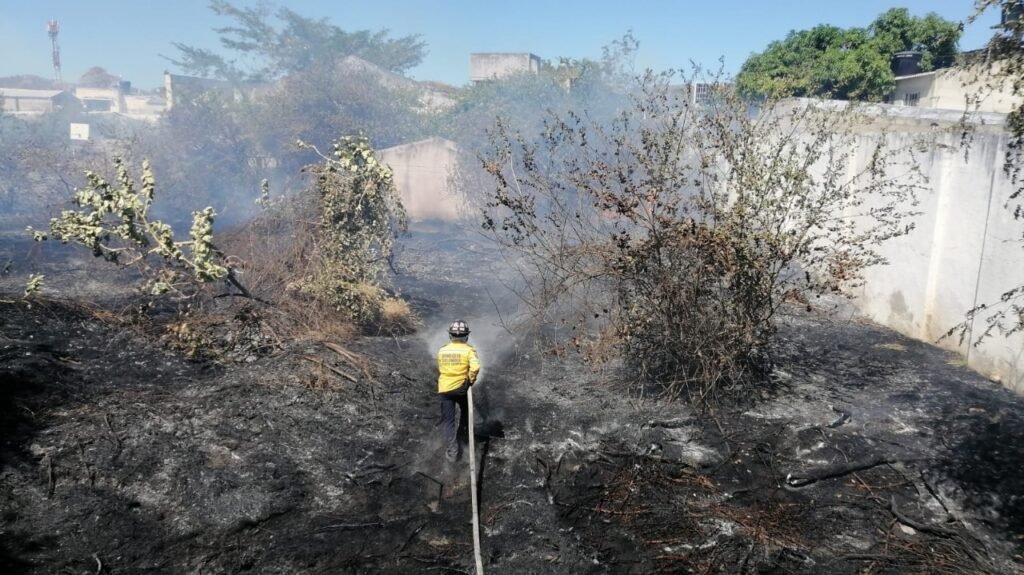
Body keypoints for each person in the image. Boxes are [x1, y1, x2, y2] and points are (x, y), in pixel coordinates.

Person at [437, 319, 481, 462]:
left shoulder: (442, 350)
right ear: (466, 336)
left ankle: (452, 451)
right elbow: (475, 367)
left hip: (444, 389)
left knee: (448, 421)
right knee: (465, 411)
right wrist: (470, 380)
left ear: (450, 336)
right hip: (461, 388)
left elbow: (441, 368)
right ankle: (463, 436)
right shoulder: (469, 350)